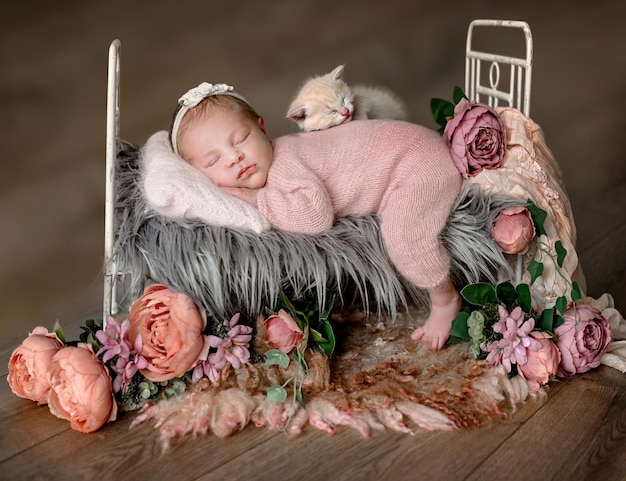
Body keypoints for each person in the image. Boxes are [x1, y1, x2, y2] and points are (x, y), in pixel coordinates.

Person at [169, 82, 462, 350]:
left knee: (404, 237)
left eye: (241, 139)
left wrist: (260, 199)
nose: (235, 158)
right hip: (409, 154)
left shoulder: (286, 161)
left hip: (417, 165)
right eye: (214, 160)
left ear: (262, 128)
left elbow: (314, 216)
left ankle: (445, 300)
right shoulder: (278, 162)